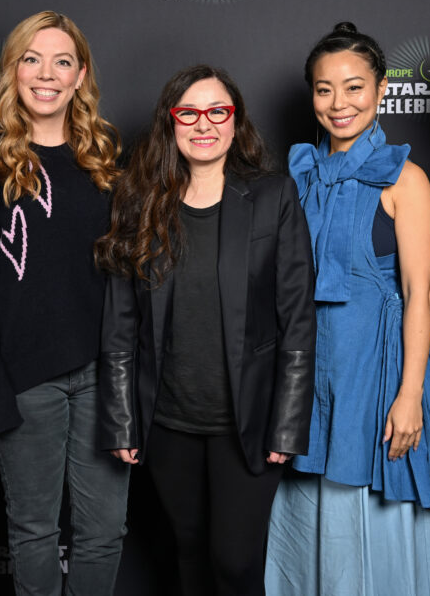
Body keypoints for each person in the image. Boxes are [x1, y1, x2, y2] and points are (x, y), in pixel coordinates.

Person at [96, 64, 316, 596]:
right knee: (188, 559)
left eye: (217, 111)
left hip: (250, 424)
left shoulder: (272, 197)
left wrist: (287, 427)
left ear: (235, 121)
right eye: (188, 112)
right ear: (170, 122)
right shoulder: (141, 200)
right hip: (168, 423)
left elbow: (297, 322)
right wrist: (122, 421)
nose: (204, 124)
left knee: (236, 564)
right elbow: (120, 324)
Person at [264, 23, 430, 596]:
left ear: (381, 90)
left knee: (379, 517)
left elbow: (419, 292)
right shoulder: (298, 178)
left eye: (354, 87)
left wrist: (409, 396)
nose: (339, 103)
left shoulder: (406, 180)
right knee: (311, 511)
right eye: (324, 89)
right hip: (312, 370)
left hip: (379, 371)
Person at [0, 11, 128, 596]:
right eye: (32, 59)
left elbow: (128, 278)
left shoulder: (104, 157)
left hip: (101, 373)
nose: (46, 74)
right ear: (12, 71)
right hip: (23, 381)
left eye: (62, 61)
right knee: (35, 532)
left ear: (80, 76)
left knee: (104, 531)